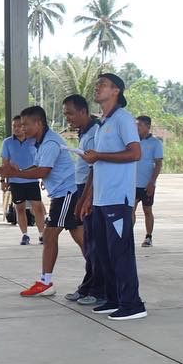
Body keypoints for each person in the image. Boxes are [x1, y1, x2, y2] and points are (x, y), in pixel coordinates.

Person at [77, 73, 148, 321]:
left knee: (121, 253)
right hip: (101, 199)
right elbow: (97, 164)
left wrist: (100, 156)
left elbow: (135, 153)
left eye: (103, 85)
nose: (97, 88)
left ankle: (133, 304)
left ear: (116, 91)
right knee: (103, 253)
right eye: (97, 85)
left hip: (118, 198)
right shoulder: (103, 124)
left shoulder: (123, 120)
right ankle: (114, 298)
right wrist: (89, 197)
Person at [0, 105, 78, 298]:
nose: (22, 128)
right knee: (81, 238)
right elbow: (38, 167)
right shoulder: (40, 143)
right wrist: (17, 173)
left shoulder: (50, 143)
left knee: (49, 237)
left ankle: (46, 282)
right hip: (62, 193)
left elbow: (43, 172)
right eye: (20, 125)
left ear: (38, 123)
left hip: (66, 193)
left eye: (25, 125)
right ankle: (99, 278)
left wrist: (16, 173)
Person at [62, 95, 103, 306]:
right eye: (65, 113)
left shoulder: (96, 132)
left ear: (83, 111)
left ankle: (97, 290)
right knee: (89, 242)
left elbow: (95, 167)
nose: (68, 118)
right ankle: (87, 286)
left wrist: (86, 197)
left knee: (94, 244)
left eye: (70, 113)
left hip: (90, 189)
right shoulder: (86, 131)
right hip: (81, 187)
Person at [0, 114, 46, 245]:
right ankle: (25, 235)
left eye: (20, 126)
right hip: (16, 181)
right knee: (19, 208)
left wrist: (43, 177)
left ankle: (42, 234)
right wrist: (3, 181)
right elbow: (5, 163)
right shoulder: (7, 142)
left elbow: (41, 161)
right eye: (14, 126)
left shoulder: (33, 141)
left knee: (37, 207)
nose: (17, 128)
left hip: (32, 179)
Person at [133, 115, 164, 248]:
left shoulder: (155, 143)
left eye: (139, 125)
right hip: (132, 183)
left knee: (147, 210)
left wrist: (152, 182)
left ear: (147, 126)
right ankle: (128, 235)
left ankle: (148, 236)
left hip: (147, 184)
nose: (136, 127)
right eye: (136, 125)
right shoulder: (132, 141)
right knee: (130, 210)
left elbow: (158, 164)